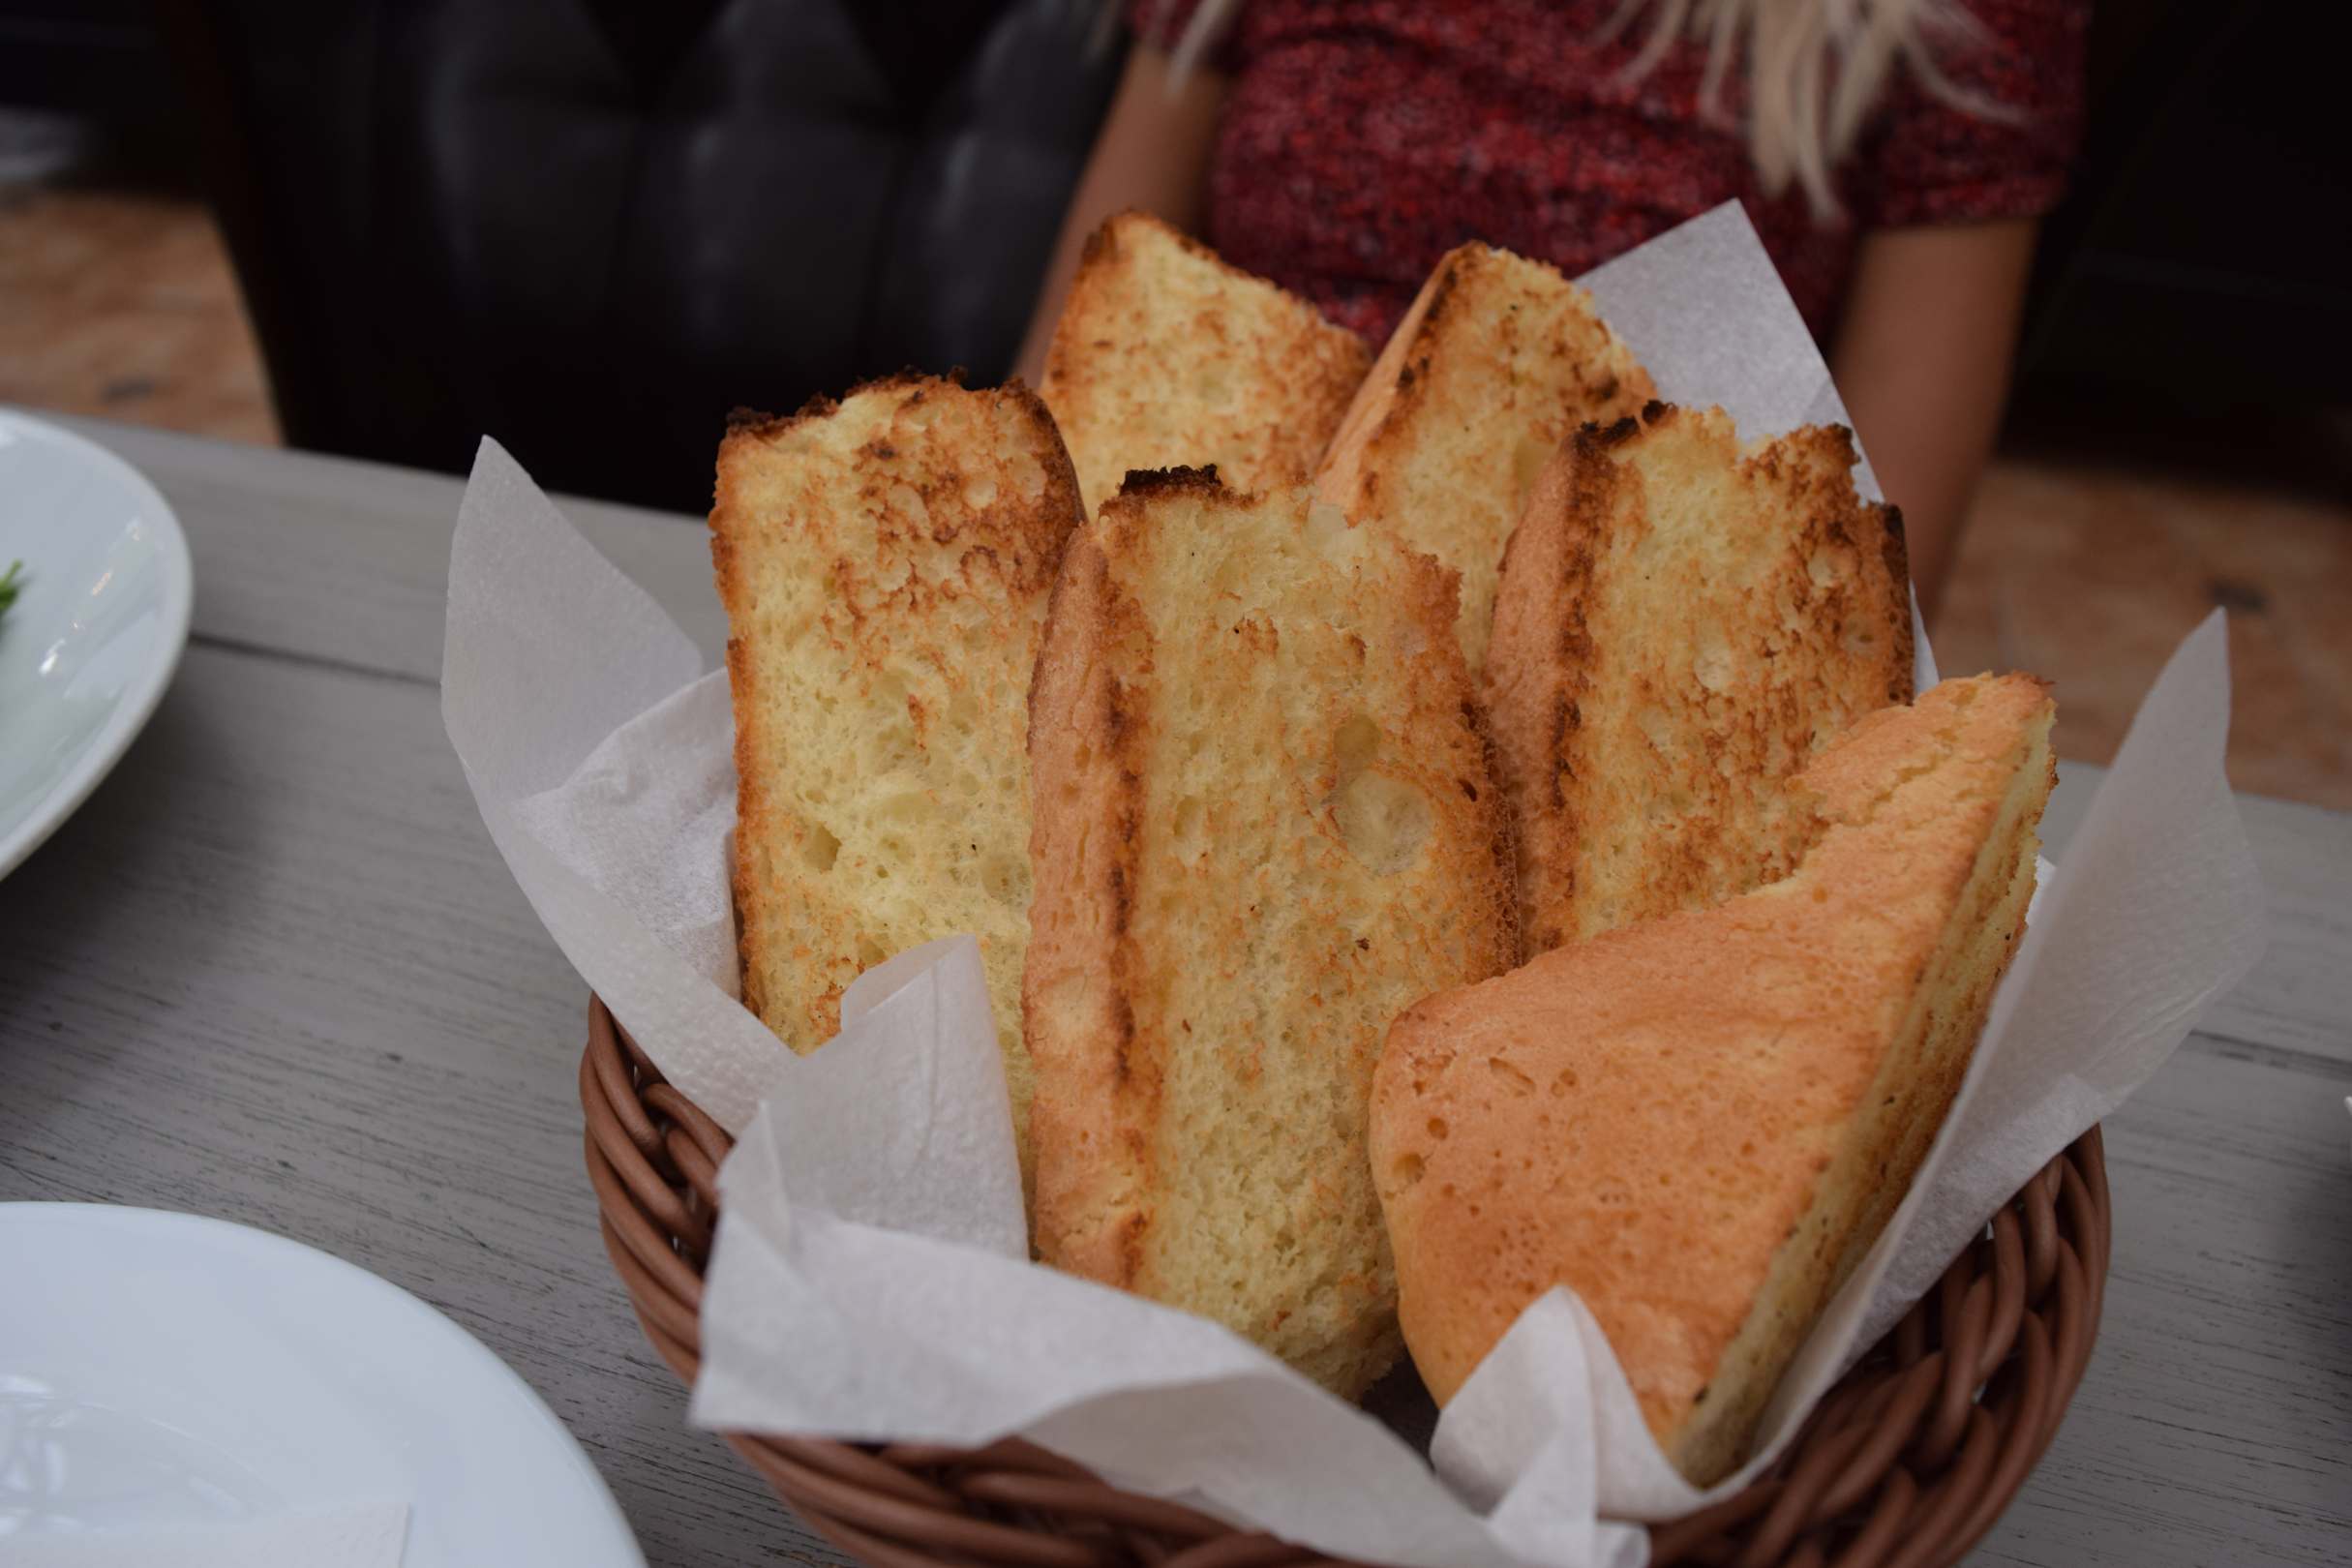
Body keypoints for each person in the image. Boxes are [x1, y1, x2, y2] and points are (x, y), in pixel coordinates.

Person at [1014, 0, 2087, 618]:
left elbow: (1879, 572)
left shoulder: (1959, 22)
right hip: (1189, 596)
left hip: (1628, 638)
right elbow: (1085, 341)